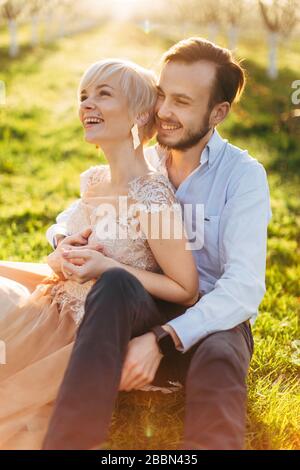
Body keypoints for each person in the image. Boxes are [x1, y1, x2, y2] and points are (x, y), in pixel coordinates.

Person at [43, 38, 272, 450]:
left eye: (182, 102)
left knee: (219, 356)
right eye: (162, 95)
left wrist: (163, 338)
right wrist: (64, 239)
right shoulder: (144, 160)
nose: (163, 112)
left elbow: (243, 288)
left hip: (213, 314)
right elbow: (77, 212)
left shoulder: (242, 176)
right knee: (114, 286)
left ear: (217, 112)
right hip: (144, 302)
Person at [0, 58, 199, 450]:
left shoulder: (151, 196)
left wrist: (109, 265)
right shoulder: (95, 180)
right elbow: (67, 228)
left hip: (82, 328)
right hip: (51, 299)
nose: (87, 104)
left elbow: (185, 288)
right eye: (83, 96)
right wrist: (61, 250)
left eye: (103, 95)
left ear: (140, 114)